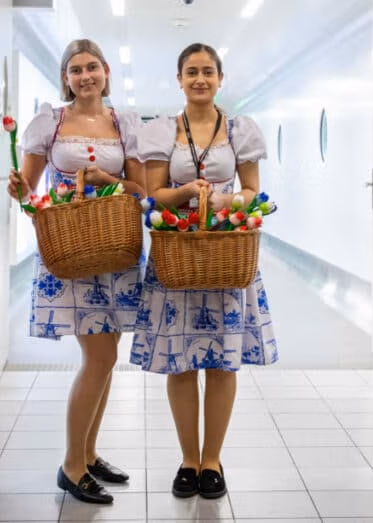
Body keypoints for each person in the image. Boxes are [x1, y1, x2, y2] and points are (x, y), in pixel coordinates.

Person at [131, 42, 278, 500]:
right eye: (191, 71)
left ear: (220, 78)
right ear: (179, 79)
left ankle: (212, 459)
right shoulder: (160, 131)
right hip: (176, 254)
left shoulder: (239, 130)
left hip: (224, 254)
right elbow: (153, 193)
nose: (199, 79)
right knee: (180, 360)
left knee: (220, 361)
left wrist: (223, 200)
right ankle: (187, 459)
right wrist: (186, 194)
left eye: (208, 71)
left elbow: (253, 190)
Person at [7, 39, 146, 505]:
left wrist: (109, 181)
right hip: (71, 250)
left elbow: (139, 189)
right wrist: (17, 189)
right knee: (100, 359)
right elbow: (27, 192)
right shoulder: (52, 122)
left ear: (106, 71)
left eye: (92, 67)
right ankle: (71, 465)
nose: (85, 76)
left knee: (107, 359)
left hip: (114, 249)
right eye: (75, 69)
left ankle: (87, 453)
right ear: (65, 78)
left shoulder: (123, 125)